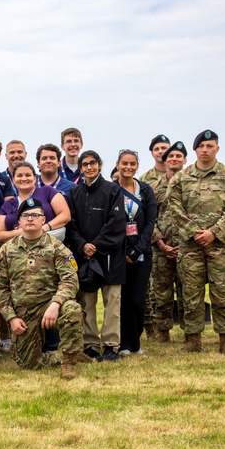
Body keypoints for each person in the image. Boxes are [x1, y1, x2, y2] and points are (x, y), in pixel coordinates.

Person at [167, 130, 225, 354]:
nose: (205, 150)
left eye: (210, 146)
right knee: (190, 293)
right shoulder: (181, 177)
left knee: (222, 293)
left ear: (217, 149)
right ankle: (192, 339)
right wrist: (193, 231)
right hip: (191, 246)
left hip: (221, 245)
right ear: (195, 150)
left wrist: (214, 232)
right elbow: (174, 207)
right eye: (201, 146)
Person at [0, 198, 85, 379]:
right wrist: (11, 318)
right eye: (25, 215)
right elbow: (0, 289)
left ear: (43, 220)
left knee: (72, 309)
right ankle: (61, 355)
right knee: (29, 365)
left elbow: (70, 280)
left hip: (50, 306)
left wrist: (56, 304)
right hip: (23, 313)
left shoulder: (57, 247)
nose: (30, 219)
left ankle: (69, 360)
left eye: (35, 215)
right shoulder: (6, 251)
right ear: (18, 221)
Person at [66, 151, 127, 362]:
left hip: (110, 256)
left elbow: (117, 222)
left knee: (112, 304)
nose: (89, 167)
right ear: (81, 168)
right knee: (86, 303)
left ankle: (111, 345)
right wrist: (82, 245)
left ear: (100, 165)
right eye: (85, 164)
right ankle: (90, 344)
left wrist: (96, 245)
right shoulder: (74, 193)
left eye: (93, 163)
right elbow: (70, 225)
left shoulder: (113, 190)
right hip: (85, 257)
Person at [113, 150, 158, 356]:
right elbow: (109, 223)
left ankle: (135, 342)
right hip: (118, 253)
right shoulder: (111, 190)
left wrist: (138, 248)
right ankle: (122, 343)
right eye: (124, 163)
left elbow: (150, 222)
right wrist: (123, 250)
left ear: (137, 166)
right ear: (117, 164)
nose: (128, 167)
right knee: (121, 299)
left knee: (137, 299)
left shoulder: (146, 190)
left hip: (141, 253)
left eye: (132, 164)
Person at [146, 142, 188, 343]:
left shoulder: (191, 185)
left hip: (188, 248)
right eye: (171, 157)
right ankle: (162, 332)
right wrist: (160, 243)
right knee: (161, 292)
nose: (174, 159)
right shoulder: (153, 188)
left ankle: (191, 333)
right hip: (161, 248)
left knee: (188, 292)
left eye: (178, 157)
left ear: (185, 161)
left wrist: (186, 241)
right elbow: (148, 219)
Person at [0, 161, 71, 244]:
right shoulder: (8, 204)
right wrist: (24, 232)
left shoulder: (47, 191)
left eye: (28, 175)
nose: (24, 179)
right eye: (19, 175)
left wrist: (42, 229)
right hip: (19, 253)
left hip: (49, 249)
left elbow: (65, 215)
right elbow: (0, 235)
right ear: (13, 180)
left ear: (35, 178)